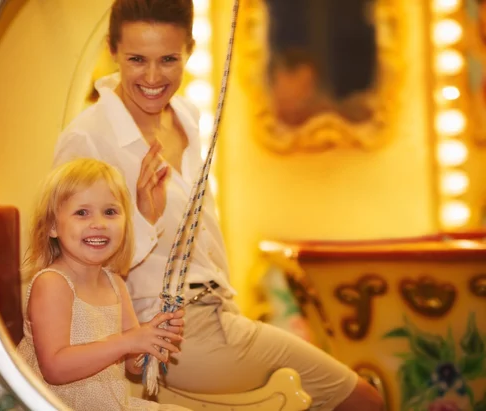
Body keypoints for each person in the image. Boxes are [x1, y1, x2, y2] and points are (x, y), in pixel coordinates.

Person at [52, 1, 384, 409]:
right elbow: (69, 264)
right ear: (112, 50)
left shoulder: (186, 118)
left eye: (168, 60)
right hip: (160, 330)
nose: (153, 77)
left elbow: (204, 241)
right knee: (363, 401)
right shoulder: (88, 137)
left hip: (217, 311)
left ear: (190, 49)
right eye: (137, 59)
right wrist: (142, 216)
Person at [17, 158, 190, 411]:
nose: (98, 223)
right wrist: (127, 341)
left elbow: (132, 366)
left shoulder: (115, 284)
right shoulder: (52, 283)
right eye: (82, 212)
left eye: (110, 212)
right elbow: (54, 368)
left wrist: (153, 338)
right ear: (53, 226)